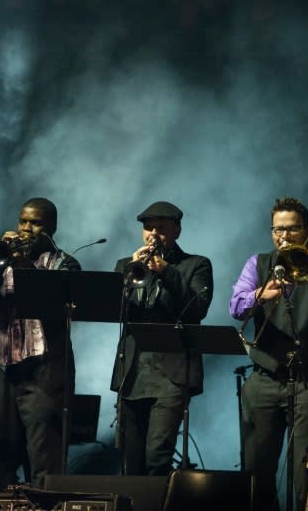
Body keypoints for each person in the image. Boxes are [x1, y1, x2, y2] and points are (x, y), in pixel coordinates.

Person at [229, 196, 308, 511]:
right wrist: (259, 294)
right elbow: (235, 307)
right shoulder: (257, 264)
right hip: (264, 380)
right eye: (277, 230)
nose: (283, 236)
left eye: (292, 229)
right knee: (256, 473)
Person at [0, 197, 81, 490]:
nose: (26, 228)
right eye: (23, 221)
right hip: (7, 369)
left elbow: (51, 302)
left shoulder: (64, 263)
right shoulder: (3, 261)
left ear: (52, 227)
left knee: (44, 456)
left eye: (36, 223)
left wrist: (24, 264)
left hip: (46, 370)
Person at [111, 201, 214, 475]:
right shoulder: (126, 265)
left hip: (173, 374)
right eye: (148, 228)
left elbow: (198, 308)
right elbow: (112, 311)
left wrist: (167, 272)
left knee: (157, 457)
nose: (153, 234)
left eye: (161, 228)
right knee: (129, 461)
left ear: (177, 231)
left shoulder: (196, 265)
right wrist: (127, 275)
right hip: (132, 373)